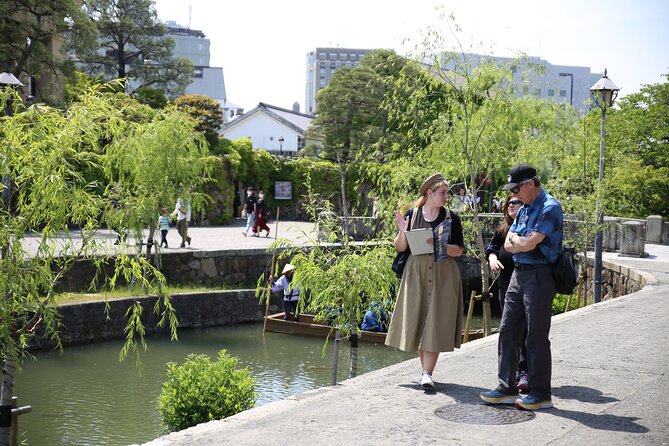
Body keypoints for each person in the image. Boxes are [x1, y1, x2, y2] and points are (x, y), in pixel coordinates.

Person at [480, 164, 563, 411]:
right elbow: (509, 242)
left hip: (539, 275)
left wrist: (521, 243)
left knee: (535, 336)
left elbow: (529, 243)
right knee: (507, 330)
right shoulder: (525, 208)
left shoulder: (550, 207)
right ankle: (506, 387)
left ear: (530, 184)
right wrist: (520, 243)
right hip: (518, 274)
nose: (514, 195)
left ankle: (540, 393)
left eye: (517, 188)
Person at [385, 173, 465, 390]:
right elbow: (401, 247)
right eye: (443, 192)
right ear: (429, 193)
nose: (447, 196)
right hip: (416, 273)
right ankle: (425, 372)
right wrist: (403, 232)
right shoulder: (413, 214)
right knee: (419, 321)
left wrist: (439, 244)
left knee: (436, 323)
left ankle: (427, 373)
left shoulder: (451, 218)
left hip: (443, 273)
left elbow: (459, 250)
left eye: (447, 192)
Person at [485, 194, 528, 390]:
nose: (512, 206)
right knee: (509, 329)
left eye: (516, 202)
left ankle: (525, 370)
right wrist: (492, 258)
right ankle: (515, 372)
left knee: (526, 329)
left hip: (526, 283)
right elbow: (492, 248)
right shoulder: (502, 230)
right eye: (509, 203)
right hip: (506, 284)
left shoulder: (527, 226)